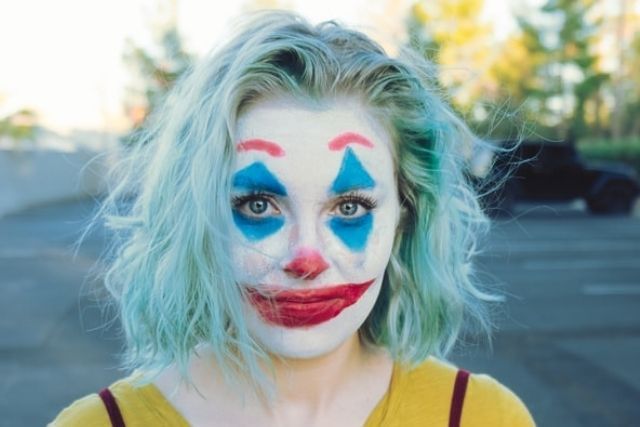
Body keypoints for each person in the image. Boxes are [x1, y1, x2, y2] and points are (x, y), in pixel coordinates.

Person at [51, 11, 534, 426]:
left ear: (403, 221)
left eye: (350, 208)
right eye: (258, 204)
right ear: (195, 216)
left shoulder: (481, 416)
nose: (306, 257)